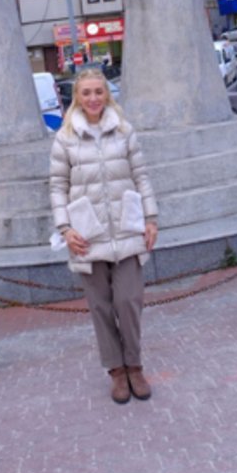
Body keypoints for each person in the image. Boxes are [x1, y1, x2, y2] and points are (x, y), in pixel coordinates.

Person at [49, 68, 159, 404]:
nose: (93, 98)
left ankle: (134, 365)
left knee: (128, 301)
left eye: (99, 91)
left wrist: (151, 218)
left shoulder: (124, 131)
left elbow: (141, 175)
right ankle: (116, 370)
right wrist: (65, 228)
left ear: (107, 94)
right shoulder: (65, 138)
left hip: (126, 228)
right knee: (100, 307)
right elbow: (57, 186)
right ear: (77, 97)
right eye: (86, 93)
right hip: (87, 233)